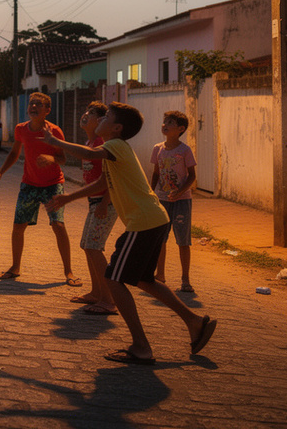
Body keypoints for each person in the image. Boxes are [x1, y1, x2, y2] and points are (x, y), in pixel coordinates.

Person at [42, 102, 216, 365]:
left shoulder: (114, 145)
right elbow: (103, 182)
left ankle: (141, 347)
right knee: (145, 280)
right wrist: (69, 198)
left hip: (143, 223)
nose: (100, 119)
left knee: (113, 278)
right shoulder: (116, 150)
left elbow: (87, 156)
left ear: (116, 128)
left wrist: (54, 141)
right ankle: (194, 322)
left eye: (106, 117)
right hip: (153, 220)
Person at [0, 92, 79, 286]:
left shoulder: (55, 131)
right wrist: (0, 173)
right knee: (18, 227)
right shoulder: (21, 129)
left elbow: (64, 159)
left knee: (58, 225)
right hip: (29, 184)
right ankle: (15, 268)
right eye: (31, 104)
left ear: (47, 110)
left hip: (53, 184)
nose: (33, 107)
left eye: (38, 104)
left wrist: (51, 159)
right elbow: (14, 153)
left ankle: (69, 272)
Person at [69, 101, 117, 315]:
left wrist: (105, 203)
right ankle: (96, 292)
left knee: (94, 247)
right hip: (95, 203)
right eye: (86, 111)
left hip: (105, 203)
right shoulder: (90, 142)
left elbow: (110, 179)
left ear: (100, 120)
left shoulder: (101, 144)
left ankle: (108, 300)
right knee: (87, 245)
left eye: (91, 113)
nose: (85, 115)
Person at [151, 110, 198, 293]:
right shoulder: (158, 149)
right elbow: (156, 173)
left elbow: (192, 176)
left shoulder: (185, 150)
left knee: (183, 241)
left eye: (170, 123)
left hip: (182, 201)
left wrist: (179, 192)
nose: (165, 125)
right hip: (162, 200)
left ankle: (185, 279)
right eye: (164, 121)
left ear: (180, 129)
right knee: (161, 239)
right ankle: (160, 274)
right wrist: (151, 192)